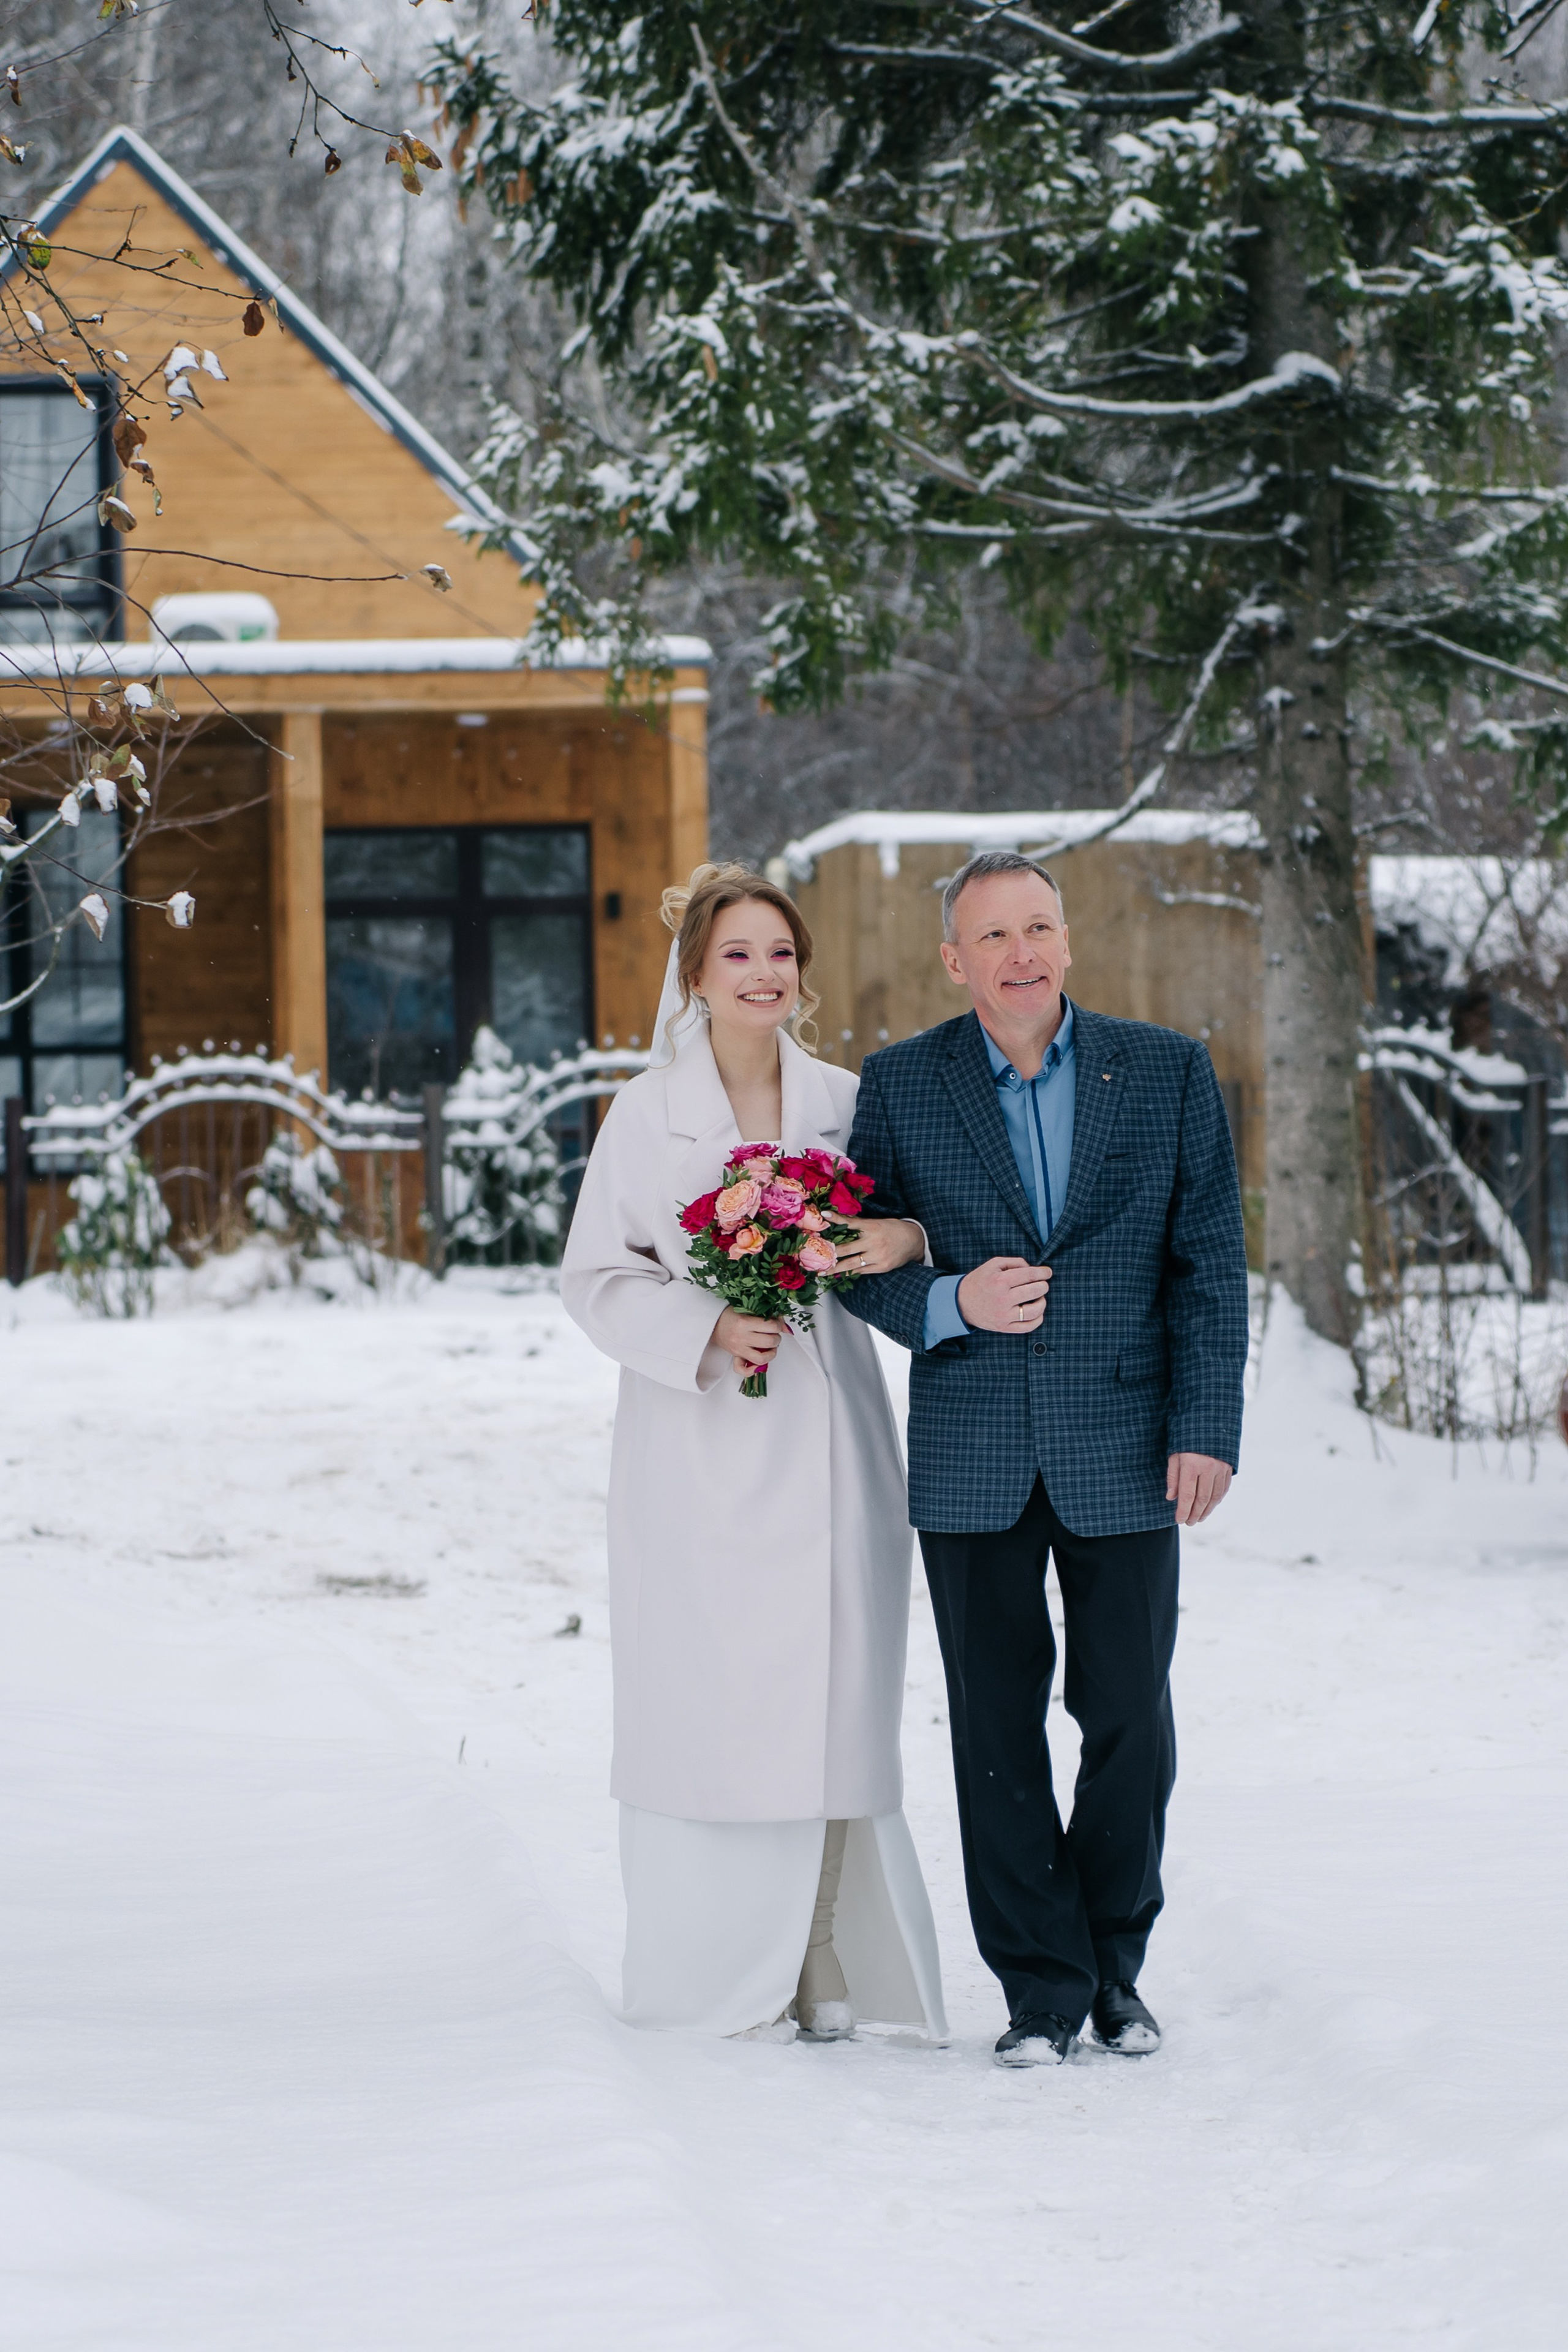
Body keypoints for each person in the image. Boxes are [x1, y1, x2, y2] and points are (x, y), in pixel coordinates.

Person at [840, 850, 1249, 2066]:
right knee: (992, 1723)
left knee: (1127, 1714)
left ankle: (1113, 1966)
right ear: (952, 960)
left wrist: (1204, 1425)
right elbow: (859, 1268)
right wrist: (952, 1301)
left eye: (1037, 929)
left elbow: (1207, 1268)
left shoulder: (1167, 1072)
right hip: (971, 1452)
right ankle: (1036, 1987)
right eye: (992, 936)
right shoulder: (902, 1084)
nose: (1019, 955)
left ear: (1065, 942)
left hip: (1127, 1446)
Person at [560, 862, 948, 2045]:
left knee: (841, 1691)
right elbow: (594, 1278)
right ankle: (724, 1961)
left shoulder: (849, 1098)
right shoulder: (645, 1111)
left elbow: (926, 1223)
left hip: (833, 1429)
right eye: (738, 954)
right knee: (722, 1701)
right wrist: (710, 1326)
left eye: (780, 953)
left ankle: (825, 1949)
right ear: (696, 973)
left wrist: (892, 1235)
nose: (763, 974)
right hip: (702, 1442)